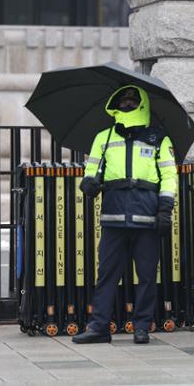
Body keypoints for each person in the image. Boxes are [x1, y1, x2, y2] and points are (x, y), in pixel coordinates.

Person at [72, 86, 176, 344]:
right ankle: (99, 327)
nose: (127, 105)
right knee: (106, 274)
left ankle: (142, 327)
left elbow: (169, 176)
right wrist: (88, 184)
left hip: (147, 216)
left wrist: (165, 209)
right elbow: (91, 170)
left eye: (132, 101)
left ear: (141, 105)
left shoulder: (159, 138)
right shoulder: (103, 137)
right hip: (114, 216)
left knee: (148, 275)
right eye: (123, 101)